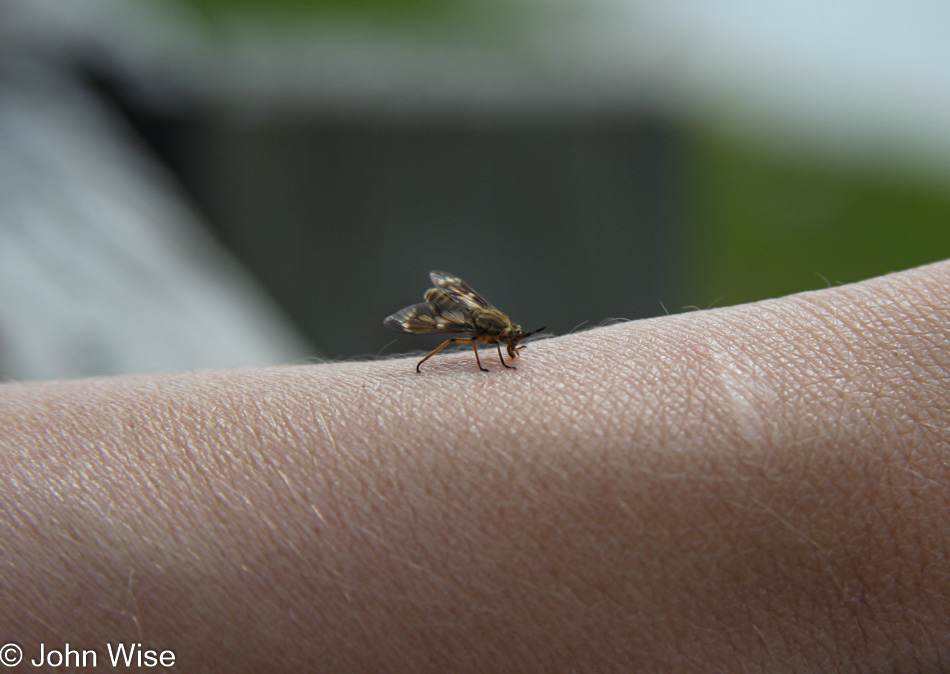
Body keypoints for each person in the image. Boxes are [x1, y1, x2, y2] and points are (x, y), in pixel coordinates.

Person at [1, 260, 948, 672]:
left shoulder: (494, 334)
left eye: (506, 351)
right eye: (507, 351)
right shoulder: (468, 337)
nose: (509, 356)